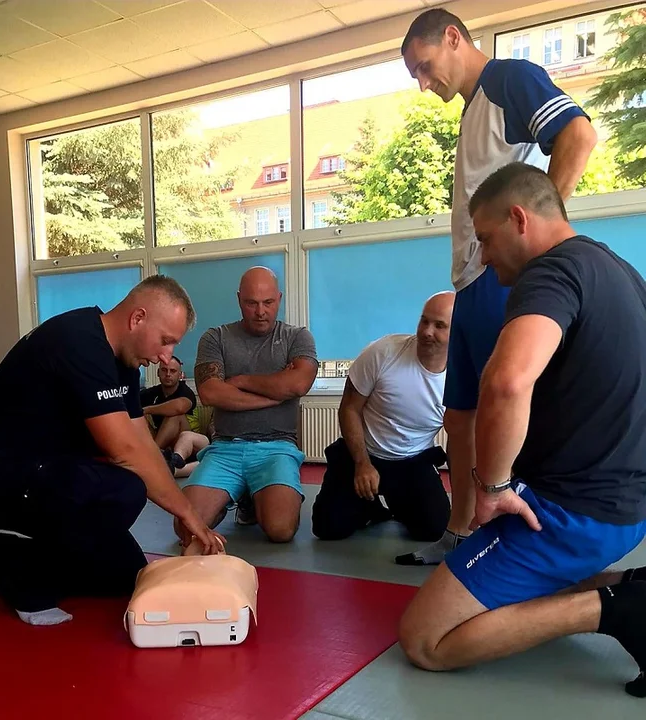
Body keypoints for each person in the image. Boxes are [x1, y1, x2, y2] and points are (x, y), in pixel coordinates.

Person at [399, 162, 646, 698]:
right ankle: (629, 584)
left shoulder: (551, 272)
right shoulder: (622, 271)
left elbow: (508, 382)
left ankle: (617, 608)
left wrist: (492, 487)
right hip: (625, 511)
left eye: (486, 240)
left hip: (565, 513)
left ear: (519, 219)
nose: (484, 258)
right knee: (510, 592)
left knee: (424, 640)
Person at [397, 8, 597, 565]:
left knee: (503, 406)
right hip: (469, 282)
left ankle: (515, 541)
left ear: (453, 38)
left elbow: (578, 135)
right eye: (414, 74)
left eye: (424, 65)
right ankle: (459, 532)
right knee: (459, 415)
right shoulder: (473, 112)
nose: (423, 83)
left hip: (501, 277)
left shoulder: (509, 78)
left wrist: (537, 240)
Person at [0, 275, 225, 626]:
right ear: (137, 318)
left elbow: (142, 444)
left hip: (43, 472)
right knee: (125, 490)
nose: (166, 356)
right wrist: (188, 514)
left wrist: (186, 514)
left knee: (126, 574)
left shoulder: (125, 363)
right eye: (165, 341)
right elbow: (125, 452)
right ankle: (27, 583)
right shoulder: (78, 341)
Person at [177, 266, 318, 543]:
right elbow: (211, 393)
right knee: (185, 529)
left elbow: (298, 384)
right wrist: (277, 392)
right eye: (251, 303)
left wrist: (240, 380)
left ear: (279, 299)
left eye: (268, 302)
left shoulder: (298, 337)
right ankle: (239, 494)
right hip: (225, 448)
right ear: (239, 299)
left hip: (277, 447)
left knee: (281, 530)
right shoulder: (215, 337)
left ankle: (253, 497)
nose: (260, 311)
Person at [312, 292, 454, 548]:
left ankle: (397, 503)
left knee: (434, 530)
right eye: (424, 321)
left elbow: (461, 440)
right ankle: (370, 507)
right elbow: (349, 408)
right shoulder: (383, 352)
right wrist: (362, 464)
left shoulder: (461, 378)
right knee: (327, 527)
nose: (427, 331)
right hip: (364, 455)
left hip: (413, 461)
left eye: (439, 326)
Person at [140, 357, 210, 477]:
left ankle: (153, 456)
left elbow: (180, 407)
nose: (168, 374)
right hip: (161, 439)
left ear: (179, 375)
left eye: (172, 371)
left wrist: (146, 410)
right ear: (158, 373)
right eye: (164, 370)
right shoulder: (152, 393)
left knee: (175, 416)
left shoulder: (186, 391)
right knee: (138, 417)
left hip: (186, 443)